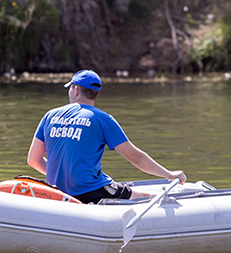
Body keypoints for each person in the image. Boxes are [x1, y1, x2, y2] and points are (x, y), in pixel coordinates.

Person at [27, 69, 186, 203]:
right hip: (91, 192)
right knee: (145, 197)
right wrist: (169, 174)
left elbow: (33, 160)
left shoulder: (50, 116)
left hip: (56, 193)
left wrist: (61, 175)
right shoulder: (103, 119)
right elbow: (136, 157)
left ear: (75, 90)